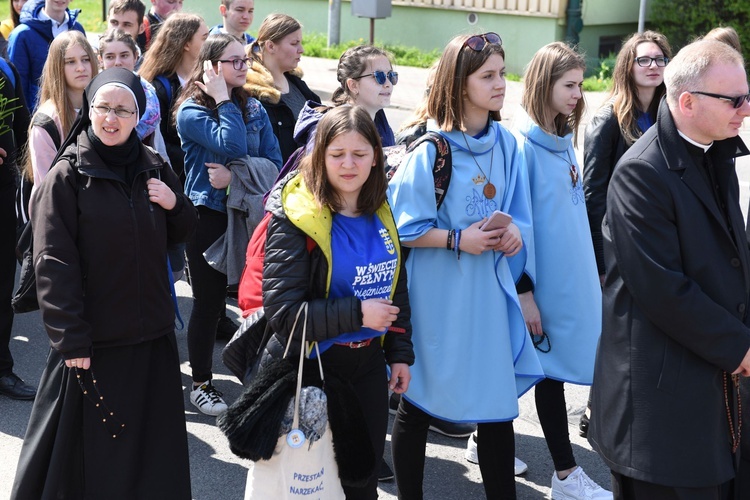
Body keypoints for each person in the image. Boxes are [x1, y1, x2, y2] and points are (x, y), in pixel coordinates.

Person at [11, 66, 196, 499]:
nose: (111, 119)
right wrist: (69, 338)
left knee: (147, 457)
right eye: (103, 108)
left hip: (150, 340)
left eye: (123, 110)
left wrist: (174, 203)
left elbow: (183, 231)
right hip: (93, 345)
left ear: (139, 116)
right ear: (89, 109)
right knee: (86, 464)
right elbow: (52, 262)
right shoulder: (68, 176)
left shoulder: (153, 165)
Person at [588, 39, 750, 499]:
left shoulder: (715, 150)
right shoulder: (641, 172)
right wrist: (741, 349)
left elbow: (733, 258)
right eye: (734, 99)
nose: (746, 109)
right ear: (687, 101)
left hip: (710, 391)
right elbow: (664, 291)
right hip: (660, 413)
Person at [388, 32, 544, 499]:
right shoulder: (431, 150)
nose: (501, 84)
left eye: (501, 73)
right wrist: (459, 238)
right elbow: (403, 228)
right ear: (459, 85)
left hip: (489, 301)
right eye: (488, 76)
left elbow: (521, 216)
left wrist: (514, 233)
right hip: (437, 300)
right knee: (419, 401)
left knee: (497, 407)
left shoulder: (509, 144)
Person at [259, 104, 413, 499]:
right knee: (308, 486)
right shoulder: (294, 217)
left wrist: (398, 351)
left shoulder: (380, 208)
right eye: (337, 154)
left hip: (367, 368)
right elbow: (284, 314)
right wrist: (359, 314)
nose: (349, 164)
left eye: (360, 154)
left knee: (362, 485)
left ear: (375, 157)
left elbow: (395, 287)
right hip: (311, 369)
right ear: (319, 156)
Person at [514, 41, 611, 500]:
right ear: (543, 84)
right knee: (546, 371)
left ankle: (480, 434)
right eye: (568, 85)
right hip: (544, 286)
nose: (577, 94)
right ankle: (566, 475)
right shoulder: (525, 147)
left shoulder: (563, 138)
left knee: (541, 366)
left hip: (573, 283)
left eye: (579, 84)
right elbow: (521, 228)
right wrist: (526, 290)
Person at [175, 33, 281, 416]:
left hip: (249, 213)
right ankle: (201, 383)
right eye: (233, 61)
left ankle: (259, 377)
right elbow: (234, 145)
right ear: (211, 67)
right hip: (208, 216)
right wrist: (221, 99)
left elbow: (275, 165)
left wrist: (236, 178)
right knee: (209, 303)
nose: (243, 67)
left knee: (255, 299)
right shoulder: (191, 111)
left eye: (244, 60)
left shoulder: (254, 108)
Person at [580, 29, 671, 439]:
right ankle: (594, 410)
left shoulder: (671, 112)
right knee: (614, 334)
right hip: (619, 245)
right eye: (644, 60)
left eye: (659, 59)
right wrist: (601, 260)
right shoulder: (608, 118)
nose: (653, 67)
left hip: (659, 241)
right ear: (627, 67)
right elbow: (592, 192)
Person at [139, 12, 208, 182]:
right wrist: (202, 160)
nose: (211, 43)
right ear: (186, 44)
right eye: (205, 38)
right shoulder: (159, 87)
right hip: (174, 180)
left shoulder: (210, 79)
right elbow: (159, 144)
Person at [245, 13, 320, 163]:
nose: (302, 49)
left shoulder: (298, 84)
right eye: (294, 43)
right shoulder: (251, 91)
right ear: (271, 46)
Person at [0, 54, 32, 401]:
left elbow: (23, 123)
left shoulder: (4, 66)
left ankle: (2, 369)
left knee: (2, 285)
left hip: (4, 191)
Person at [26, 30, 96, 189]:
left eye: (85, 59)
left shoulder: (104, 109)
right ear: (57, 67)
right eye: (70, 62)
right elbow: (49, 190)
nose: (80, 68)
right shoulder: (46, 123)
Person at [98, 29, 166, 158]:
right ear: (100, 59)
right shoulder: (92, 92)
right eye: (110, 57)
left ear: (135, 57)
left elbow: (157, 143)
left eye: (124, 55)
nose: (118, 62)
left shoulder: (149, 93)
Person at [7, 0, 85, 112]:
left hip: (75, 113)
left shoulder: (77, 29)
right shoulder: (22, 35)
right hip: (40, 116)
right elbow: (18, 88)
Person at [106, 0, 147, 70]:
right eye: (114, 22)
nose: (118, 29)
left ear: (141, 28)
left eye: (127, 25)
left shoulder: (146, 68)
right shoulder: (89, 57)